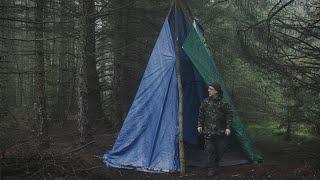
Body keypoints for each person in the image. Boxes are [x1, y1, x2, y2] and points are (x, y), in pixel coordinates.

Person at [197, 81, 232, 175]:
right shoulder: (205, 102)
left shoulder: (224, 103)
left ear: (216, 91)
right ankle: (211, 168)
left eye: (211, 89)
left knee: (221, 151)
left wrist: (228, 128)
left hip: (220, 132)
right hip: (208, 131)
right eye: (209, 88)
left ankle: (216, 163)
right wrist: (200, 125)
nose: (208, 90)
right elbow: (201, 114)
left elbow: (229, 116)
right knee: (209, 150)